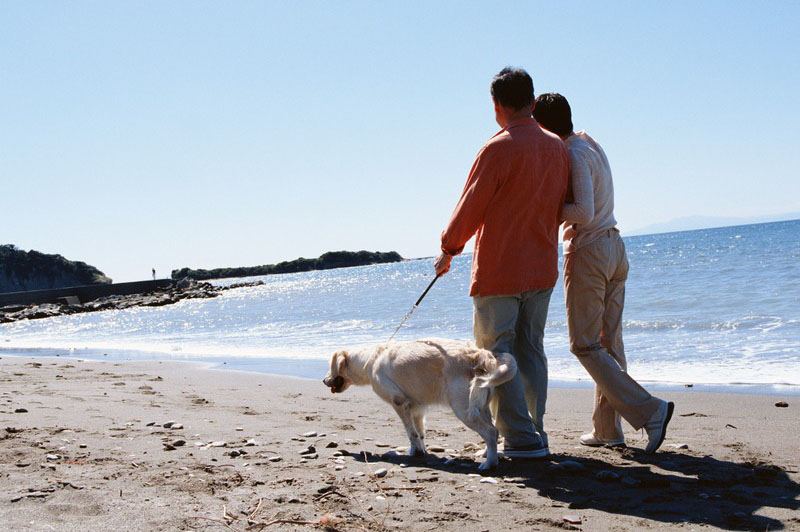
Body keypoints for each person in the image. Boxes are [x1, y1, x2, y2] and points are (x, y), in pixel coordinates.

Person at [435, 68, 568, 457]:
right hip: (542, 264)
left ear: (496, 105)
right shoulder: (557, 147)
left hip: (500, 271)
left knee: (498, 355)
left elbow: (469, 208)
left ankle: (521, 439)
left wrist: (448, 249)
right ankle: (533, 431)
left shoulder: (497, 148)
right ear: (531, 99)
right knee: (531, 350)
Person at [533, 93, 674, 453]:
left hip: (591, 249)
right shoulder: (589, 143)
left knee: (584, 344)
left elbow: (581, 210)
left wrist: (544, 208)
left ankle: (651, 411)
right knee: (608, 344)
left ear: (545, 126)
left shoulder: (574, 153)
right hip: (615, 247)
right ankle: (607, 429)